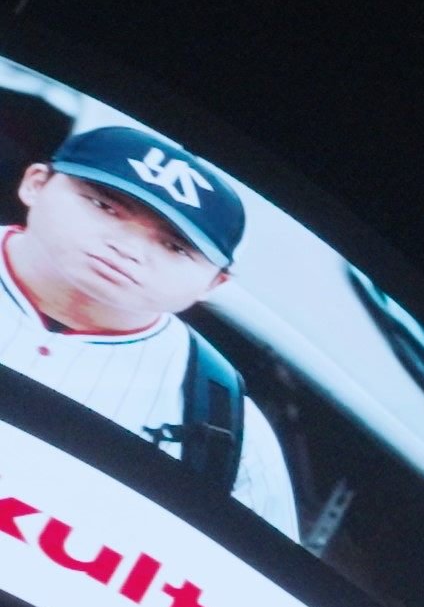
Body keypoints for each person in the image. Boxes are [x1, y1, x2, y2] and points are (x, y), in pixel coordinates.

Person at [0, 126, 297, 530]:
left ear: (214, 284)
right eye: (105, 206)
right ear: (36, 183)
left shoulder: (225, 424)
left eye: (174, 246)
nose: (128, 248)